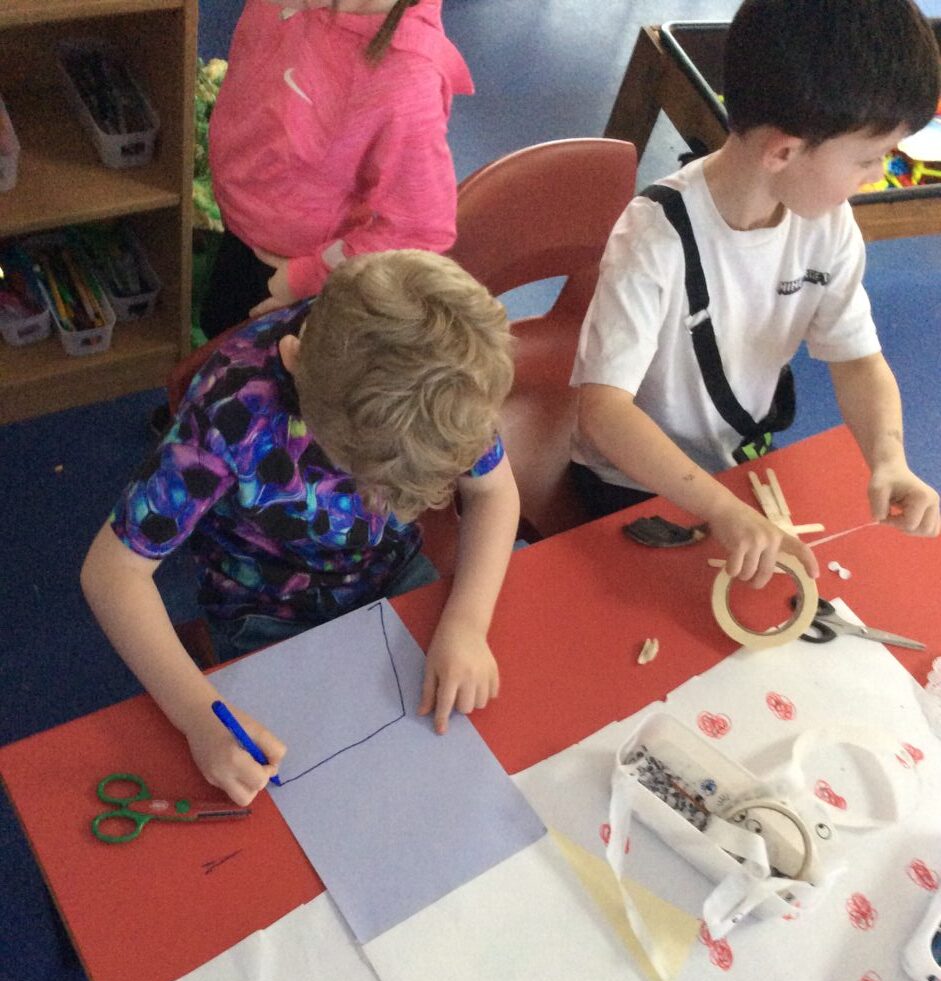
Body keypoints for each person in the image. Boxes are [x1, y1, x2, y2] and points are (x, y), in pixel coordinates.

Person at [82, 250, 520, 805]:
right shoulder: (231, 412)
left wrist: (467, 622)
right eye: (359, 474)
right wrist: (198, 716)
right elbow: (112, 573)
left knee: (467, 749)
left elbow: (493, 493)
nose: (377, 500)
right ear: (292, 359)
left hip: (392, 575)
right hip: (265, 610)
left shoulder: (448, 382)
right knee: (295, 792)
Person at [571, 0, 941, 588]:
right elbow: (604, 415)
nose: (876, 175)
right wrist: (721, 510)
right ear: (784, 152)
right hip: (633, 482)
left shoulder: (826, 224)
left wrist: (889, 458)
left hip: (737, 468)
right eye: (869, 159)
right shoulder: (655, 237)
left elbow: (858, 360)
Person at [200, 0, 473, 338]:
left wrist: (308, 277)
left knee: (229, 345)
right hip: (242, 217)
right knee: (214, 316)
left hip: (288, 271)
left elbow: (419, 231)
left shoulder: (406, 83)